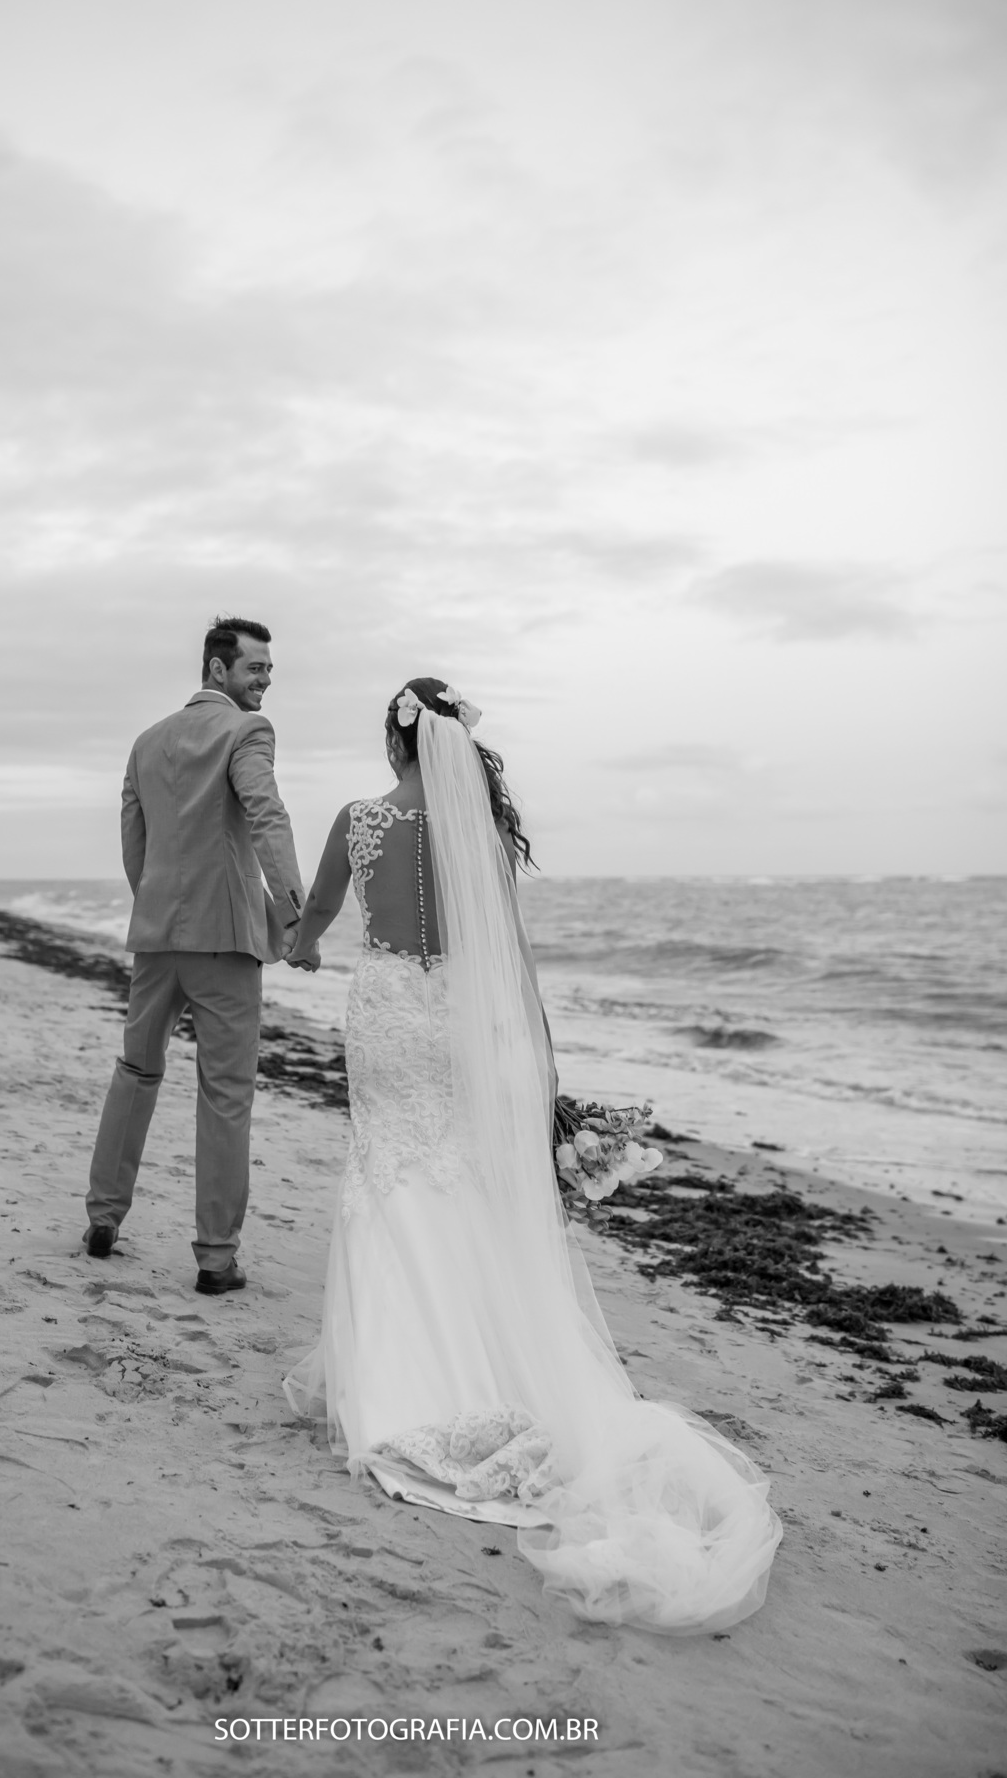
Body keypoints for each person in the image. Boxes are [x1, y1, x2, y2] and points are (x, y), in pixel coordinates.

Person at [283, 679, 782, 1633]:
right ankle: (476, 1361)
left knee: (388, 1179)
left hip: (386, 1018)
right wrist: (541, 1071)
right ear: (454, 745)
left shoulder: (358, 818)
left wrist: (300, 945)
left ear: (394, 743)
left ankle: (394, 1381)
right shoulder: (474, 832)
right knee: (461, 1182)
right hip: (463, 1027)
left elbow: (314, 919)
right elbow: (507, 959)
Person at [84, 616, 304, 1295]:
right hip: (224, 944)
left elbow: (134, 837)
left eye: (269, 669)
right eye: (254, 668)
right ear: (218, 670)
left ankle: (103, 1218)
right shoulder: (246, 732)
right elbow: (267, 816)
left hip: (157, 937)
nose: (265, 679)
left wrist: (157, 903)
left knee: (136, 1070)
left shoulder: (148, 741)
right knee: (226, 1094)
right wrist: (294, 916)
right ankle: (215, 1256)